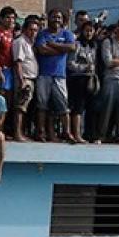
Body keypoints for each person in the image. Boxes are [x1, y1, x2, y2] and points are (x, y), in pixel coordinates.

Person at [34, 8, 76, 142]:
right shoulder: (42, 34)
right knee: (42, 105)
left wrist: (52, 44)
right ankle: (40, 132)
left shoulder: (67, 33)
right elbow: (42, 50)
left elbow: (71, 48)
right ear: (48, 18)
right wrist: (61, 49)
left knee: (63, 105)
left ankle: (66, 132)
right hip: (44, 74)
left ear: (63, 20)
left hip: (60, 75)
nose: (56, 19)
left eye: (59, 17)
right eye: (53, 17)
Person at [10, 15, 41, 142]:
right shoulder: (20, 42)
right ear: (24, 29)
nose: (33, 32)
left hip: (32, 78)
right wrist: (22, 81)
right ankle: (17, 133)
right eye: (30, 29)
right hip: (24, 78)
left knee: (26, 107)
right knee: (20, 107)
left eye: (35, 30)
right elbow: (18, 62)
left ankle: (22, 132)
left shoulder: (31, 43)